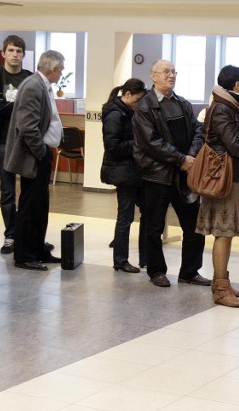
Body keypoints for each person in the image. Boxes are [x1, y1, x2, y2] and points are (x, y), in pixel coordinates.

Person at [132, 59, 210, 288]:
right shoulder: (145, 107)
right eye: (165, 72)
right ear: (153, 76)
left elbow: (199, 130)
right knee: (154, 227)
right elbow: (150, 143)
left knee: (194, 226)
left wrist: (191, 156)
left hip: (184, 175)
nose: (171, 75)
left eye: (173, 71)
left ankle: (190, 271)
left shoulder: (183, 103)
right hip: (157, 175)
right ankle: (156, 271)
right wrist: (181, 159)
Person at [195, 65, 239, 307]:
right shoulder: (224, 108)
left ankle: (222, 282)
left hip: (231, 176)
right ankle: (220, 289)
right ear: (237, 85)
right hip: (224, 178)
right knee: (223, 233)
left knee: (227, 232)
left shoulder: (228, 106)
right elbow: (234, 144)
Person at [4, 50, 65, 271]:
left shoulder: (42, 85)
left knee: (40, 206)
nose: (61, 74)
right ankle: (24, 255)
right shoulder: (32, 86)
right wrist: (42, 153)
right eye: (61, 70)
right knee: (30, 206)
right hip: (34, 156)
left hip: (41, 154)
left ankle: (38, 250)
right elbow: (28, 127)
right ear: (54, 69)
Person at [0, 35, 49, 255]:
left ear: (24, 55)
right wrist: (21, 106)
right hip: (4, 141)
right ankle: (11, 235)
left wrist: (14, 106)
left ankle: (29, 236)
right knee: (7, 191)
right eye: (11, 50)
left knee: (29, 192)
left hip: (27, 143)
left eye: (19, 51)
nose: (15, 54)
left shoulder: (30, 78)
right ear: (4, 53)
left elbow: (39, 109)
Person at [100, 78, 148, 273]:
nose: (138, 105)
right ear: (126, 95)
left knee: (147, 211)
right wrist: (139, 144)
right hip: (123, 172)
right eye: (136, 100)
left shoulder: (127, 111)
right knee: (125, 217)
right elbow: (113, 146)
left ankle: (146, 257)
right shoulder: (115, 114)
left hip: (133, 171)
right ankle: (120, 260)